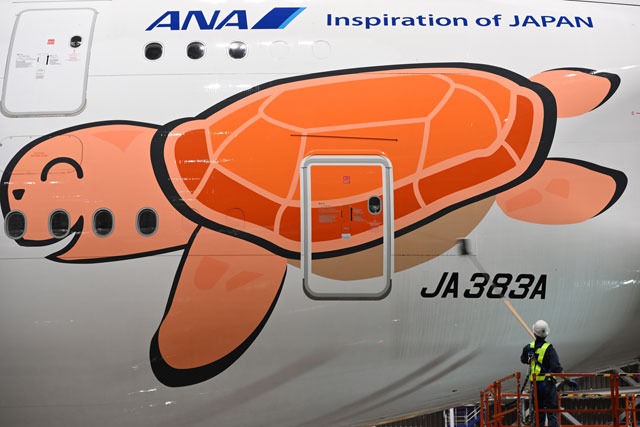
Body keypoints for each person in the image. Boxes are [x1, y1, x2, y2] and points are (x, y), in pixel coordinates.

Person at [520, 320, 576, 427]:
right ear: (546, 334)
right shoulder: (549, 349)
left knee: (538, 414)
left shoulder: (528, 348)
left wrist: (531, 358)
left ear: (534, 333)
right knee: (552, 413)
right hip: (548, 385)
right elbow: (557, 369)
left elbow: (523, 360)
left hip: (535, 386)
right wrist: (568, 380)